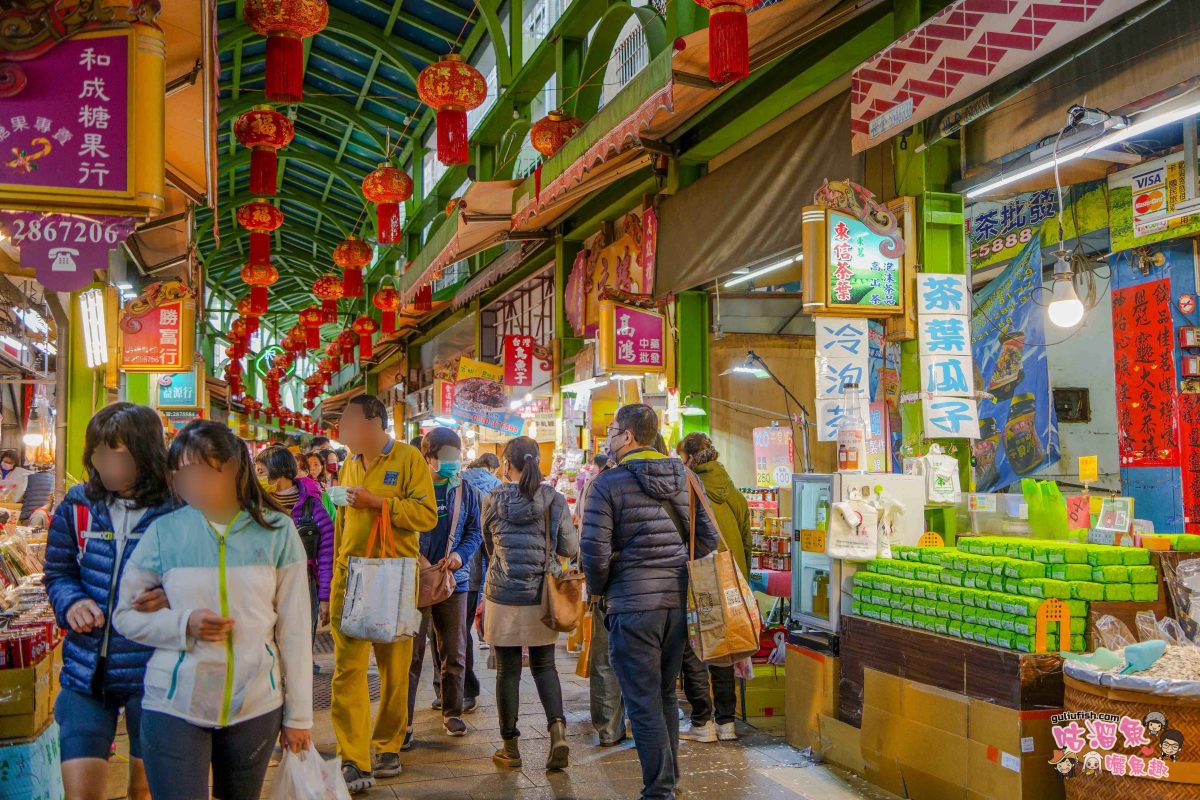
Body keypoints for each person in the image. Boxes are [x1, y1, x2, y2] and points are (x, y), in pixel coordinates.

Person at [112, 420, 312, 800]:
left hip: (255, 704)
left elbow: (296, 628)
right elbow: (126, 615)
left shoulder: (276, 530)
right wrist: (183, 623)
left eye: (202, 471)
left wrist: (299, 715)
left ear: (234, 470)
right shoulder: (164, 532)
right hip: (173, 701)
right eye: (181, 474)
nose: (191, 484)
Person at [581, 404, 719, 800]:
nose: (608, 438)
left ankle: (659, 791)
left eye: (611, 431)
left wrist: (604, 586)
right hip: (676, 604)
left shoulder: (606, 484)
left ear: (627, 437)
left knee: (642, 701)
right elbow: (706, 539)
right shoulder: (687, 477)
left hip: (631, 603)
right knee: (661, 696)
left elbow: (594, 551)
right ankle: (668, 784)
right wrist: (672, 562)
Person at [43, 403, 181, 800]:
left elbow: (206, 581)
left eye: (119, 456)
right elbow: (59, 572)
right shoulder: (78, 506)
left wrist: (171, 597)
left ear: (146, 454)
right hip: (86, 673)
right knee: (80, 793)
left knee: (144, 791)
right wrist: (70, 603)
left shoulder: (178, 511)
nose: (108, 467)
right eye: (100, 456)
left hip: (153, 675)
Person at [331, 396, 438, 793]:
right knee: (348, 672)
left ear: (375, 423)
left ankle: (388, 744)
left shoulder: (408, 459)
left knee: (395, 670)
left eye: (349, 423)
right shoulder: (349, 462)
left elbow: (425, 515)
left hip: (394, 577)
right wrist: (333, 579)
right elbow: (343, 522)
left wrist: (379, 504)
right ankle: (355, 758)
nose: (343, 432)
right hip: (351, 576)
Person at [482, 436, 578, 771]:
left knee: (507, 670)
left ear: (506, 464)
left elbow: (487, 545)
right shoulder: (554, 499)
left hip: (502, 593)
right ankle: (558, 731)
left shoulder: (491, 497)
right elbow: (568, 548)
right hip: (542, 594)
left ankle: (511, 749)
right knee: (544, 666)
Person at [404, 427, 482, 744]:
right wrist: (416, 556)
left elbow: (474, 532)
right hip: (415, 579)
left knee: (455, 650)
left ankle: (452, 712)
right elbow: (399, 527)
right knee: (411, 654)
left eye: (457, 455)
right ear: (429, 457)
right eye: (447, 456)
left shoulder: (465, 490)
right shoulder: (412, 489)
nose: (453, 461)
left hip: (454, 580)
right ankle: (403, 722)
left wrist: (460, 557)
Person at [675, 433, 750, 744]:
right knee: (725, 647)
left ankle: (702, 722)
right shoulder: (734, 492)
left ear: (690, 459)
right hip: (730, 577)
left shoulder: (688, 489)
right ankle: (727, 722)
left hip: (700, 576)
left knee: (694, 648)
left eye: (681, 459)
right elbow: (746, 541)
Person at [431, 452, 503, 709]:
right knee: (459, 635)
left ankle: (445, 692)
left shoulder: (460, 487)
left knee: (439, 634)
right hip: (468, 573)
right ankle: (465, 691)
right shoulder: (492, 487)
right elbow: (486, 536)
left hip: (440, 572)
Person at [256, 444, 335, 672]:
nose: (257, 476)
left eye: (261, 471)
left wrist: (324, 597)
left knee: (298, 644)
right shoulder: (255, 507)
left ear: (278, 471)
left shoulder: (313, 507)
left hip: (303, 583)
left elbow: (326, 554)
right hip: (264, 585)